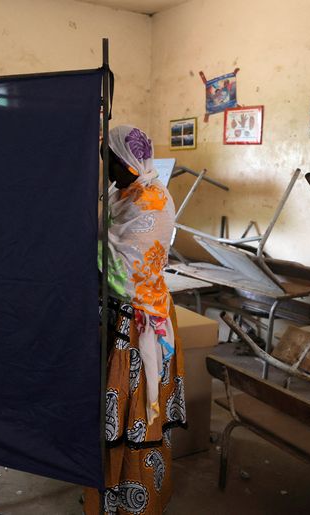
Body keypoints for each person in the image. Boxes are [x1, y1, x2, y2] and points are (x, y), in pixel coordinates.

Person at [86, 125, 186, 514]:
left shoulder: (155, 201)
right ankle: (105, 496)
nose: (106, 168)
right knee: (109, 414)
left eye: (111, 160)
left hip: (139, 320)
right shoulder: (120, 194)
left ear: (130, 161)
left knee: (136, 416)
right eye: (104, 160)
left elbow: (128, 271)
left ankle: (138, 501)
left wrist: (83, 253)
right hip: (113, 316)